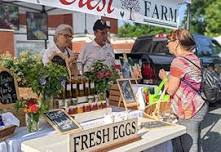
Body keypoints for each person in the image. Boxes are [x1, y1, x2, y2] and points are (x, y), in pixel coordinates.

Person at [158, 29, 208, 152]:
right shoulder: (193, 58)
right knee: (194, 142)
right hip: (199, 104)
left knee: (190, 145)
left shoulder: (178, 61)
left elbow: (170, 90)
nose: (167, 44)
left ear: (177, 42)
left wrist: (164, 78)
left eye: (169, 41)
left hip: (188, 108)